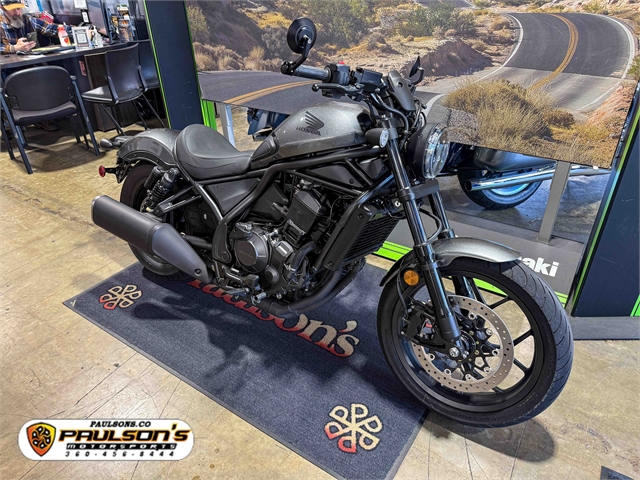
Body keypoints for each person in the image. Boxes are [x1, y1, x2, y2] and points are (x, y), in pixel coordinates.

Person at [1, 0, 67, 54]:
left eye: (19, 8)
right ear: (2, 8)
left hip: (33, 62)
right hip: (12, 65)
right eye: (12, 9)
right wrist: (15, 48)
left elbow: (51, 28)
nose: (17, 13)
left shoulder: (28, 20)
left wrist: (71, 30)